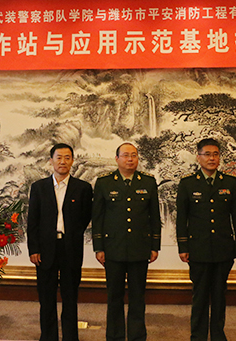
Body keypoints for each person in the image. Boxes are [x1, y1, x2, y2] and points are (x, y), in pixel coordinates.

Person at [176, 138, 236, 341]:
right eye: (207, 154)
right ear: (198, 157)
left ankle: (218, 335)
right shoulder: (188, 183)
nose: (212, 158)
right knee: (199, 295)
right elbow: (181, 218)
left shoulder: (229, 182)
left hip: (223, 248)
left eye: (215, 154)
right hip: (198, 249)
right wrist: (183, 246)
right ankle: (198, 336)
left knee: (219, 295)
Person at [92, 142, 161, 341]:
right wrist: (99, 247)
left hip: (140, 248)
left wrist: (154, 246)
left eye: (134, 155)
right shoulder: (104, 182)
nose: (130, 159)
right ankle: (115, 336)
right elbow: (98, 218)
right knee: (114, 296)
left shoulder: (148, 182)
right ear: (117, 159)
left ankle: (137, 336)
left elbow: (154, 217)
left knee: (138, 296)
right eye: (125, 155)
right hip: (113, 249)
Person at [27, 143, 93, 341]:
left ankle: (71, 337)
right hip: (45, 249)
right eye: (59, 157)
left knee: (70, 297)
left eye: (67, 157)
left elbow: (86, 217)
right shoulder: (39, 187)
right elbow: (33, 221)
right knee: (46, 298)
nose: (63, 161)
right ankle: (48, 337)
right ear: (51, 160)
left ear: (72, 161)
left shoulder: (83, 188)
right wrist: (34, 249)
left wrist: (72, 234)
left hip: (70, 248)